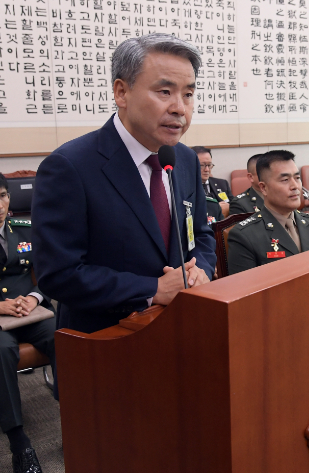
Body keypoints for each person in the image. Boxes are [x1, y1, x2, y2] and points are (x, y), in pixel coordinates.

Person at [33, 33, 216, 338]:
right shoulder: (70, 166)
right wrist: (153, 289)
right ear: (121, 92)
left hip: (181, 334)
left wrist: (201, 272)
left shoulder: (184, 159)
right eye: (164, 91)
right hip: (105, 345)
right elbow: (59, 274)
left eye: (188, 94)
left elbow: (201, 235)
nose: (179, 108)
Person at [0, 175, 56, 473]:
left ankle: (75, 417)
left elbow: (50, 273)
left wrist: (34, 298)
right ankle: (19, 442)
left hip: (29, 311)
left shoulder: (26, 230)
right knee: (2, 352)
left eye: (3, 196)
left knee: (64, 337)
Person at [227, 151, 309, 274]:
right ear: (263, 188)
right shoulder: (245, 236)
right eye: (285, 180)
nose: (295, 186)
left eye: (297, 178)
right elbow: (244, 290)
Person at [193, 145, 232, 215]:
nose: (207, 170)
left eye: (209, 165)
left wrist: (229, 207)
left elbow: (235, 205)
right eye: (202, 165)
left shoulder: (222, 184)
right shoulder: (186, 188)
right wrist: (216, 208)